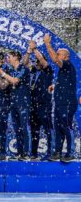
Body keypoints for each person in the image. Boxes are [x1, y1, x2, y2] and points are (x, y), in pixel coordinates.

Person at [44, 34, 78, 163]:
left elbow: (54, 60)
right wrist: (55, 86)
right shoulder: (63, 71)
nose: (56, 56)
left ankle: (71, 152)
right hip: (59, 103)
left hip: (67, 103)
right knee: (58, 127)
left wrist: (48, 44)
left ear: (65, 57)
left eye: (59, 54)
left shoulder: (68, 64)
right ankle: (57, 152)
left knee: (66, 126)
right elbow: (66, 82)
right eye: (57, 54)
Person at [0, 51, 30, 161]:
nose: (8, 58)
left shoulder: (23, 68)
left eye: (9, 57)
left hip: (23, 102)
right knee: (17, 128)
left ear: (16, 57)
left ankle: (25, 153)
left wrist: (2, 73)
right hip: (13, 103)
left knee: (23, 128)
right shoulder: (11, 70)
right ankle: (19, 153)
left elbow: (14, 81)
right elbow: (4, 86)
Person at [22, 40, 54, 161]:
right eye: (35, 61)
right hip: (33, 105)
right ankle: (34, 153)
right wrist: (29, 52)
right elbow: (24, 63)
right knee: (34, 131)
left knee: (47, 130)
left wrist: (35, 49)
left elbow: (43, 62)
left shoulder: (48, 70)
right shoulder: (33, 71)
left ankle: (50, 152)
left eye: (38, 61)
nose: (36, 63)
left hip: (44, 104)